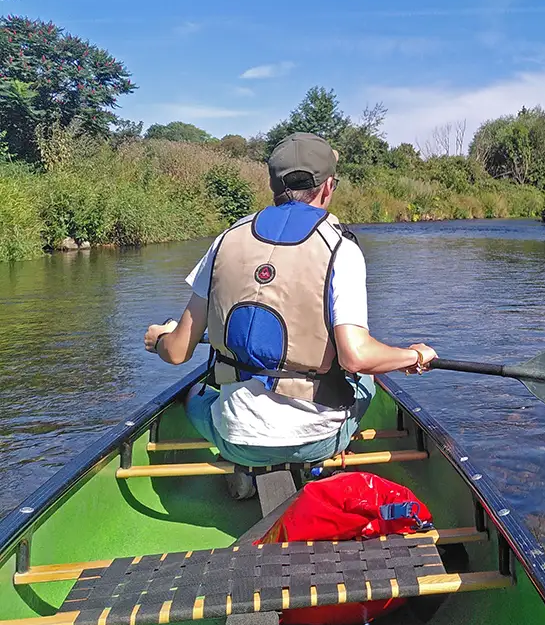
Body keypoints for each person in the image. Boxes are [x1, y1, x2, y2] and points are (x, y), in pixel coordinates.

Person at [143, 132, 436, 494]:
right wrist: (412, 355)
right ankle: (319, 466)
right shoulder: (341, 247)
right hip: (317, 439)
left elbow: (176, 352)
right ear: (328, 187)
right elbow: (356, 356)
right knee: (367, 380)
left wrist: (159, 339)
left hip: (237, 437)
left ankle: (243, 469)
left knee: (195, 396)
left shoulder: (225, 240)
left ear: (272, 185)